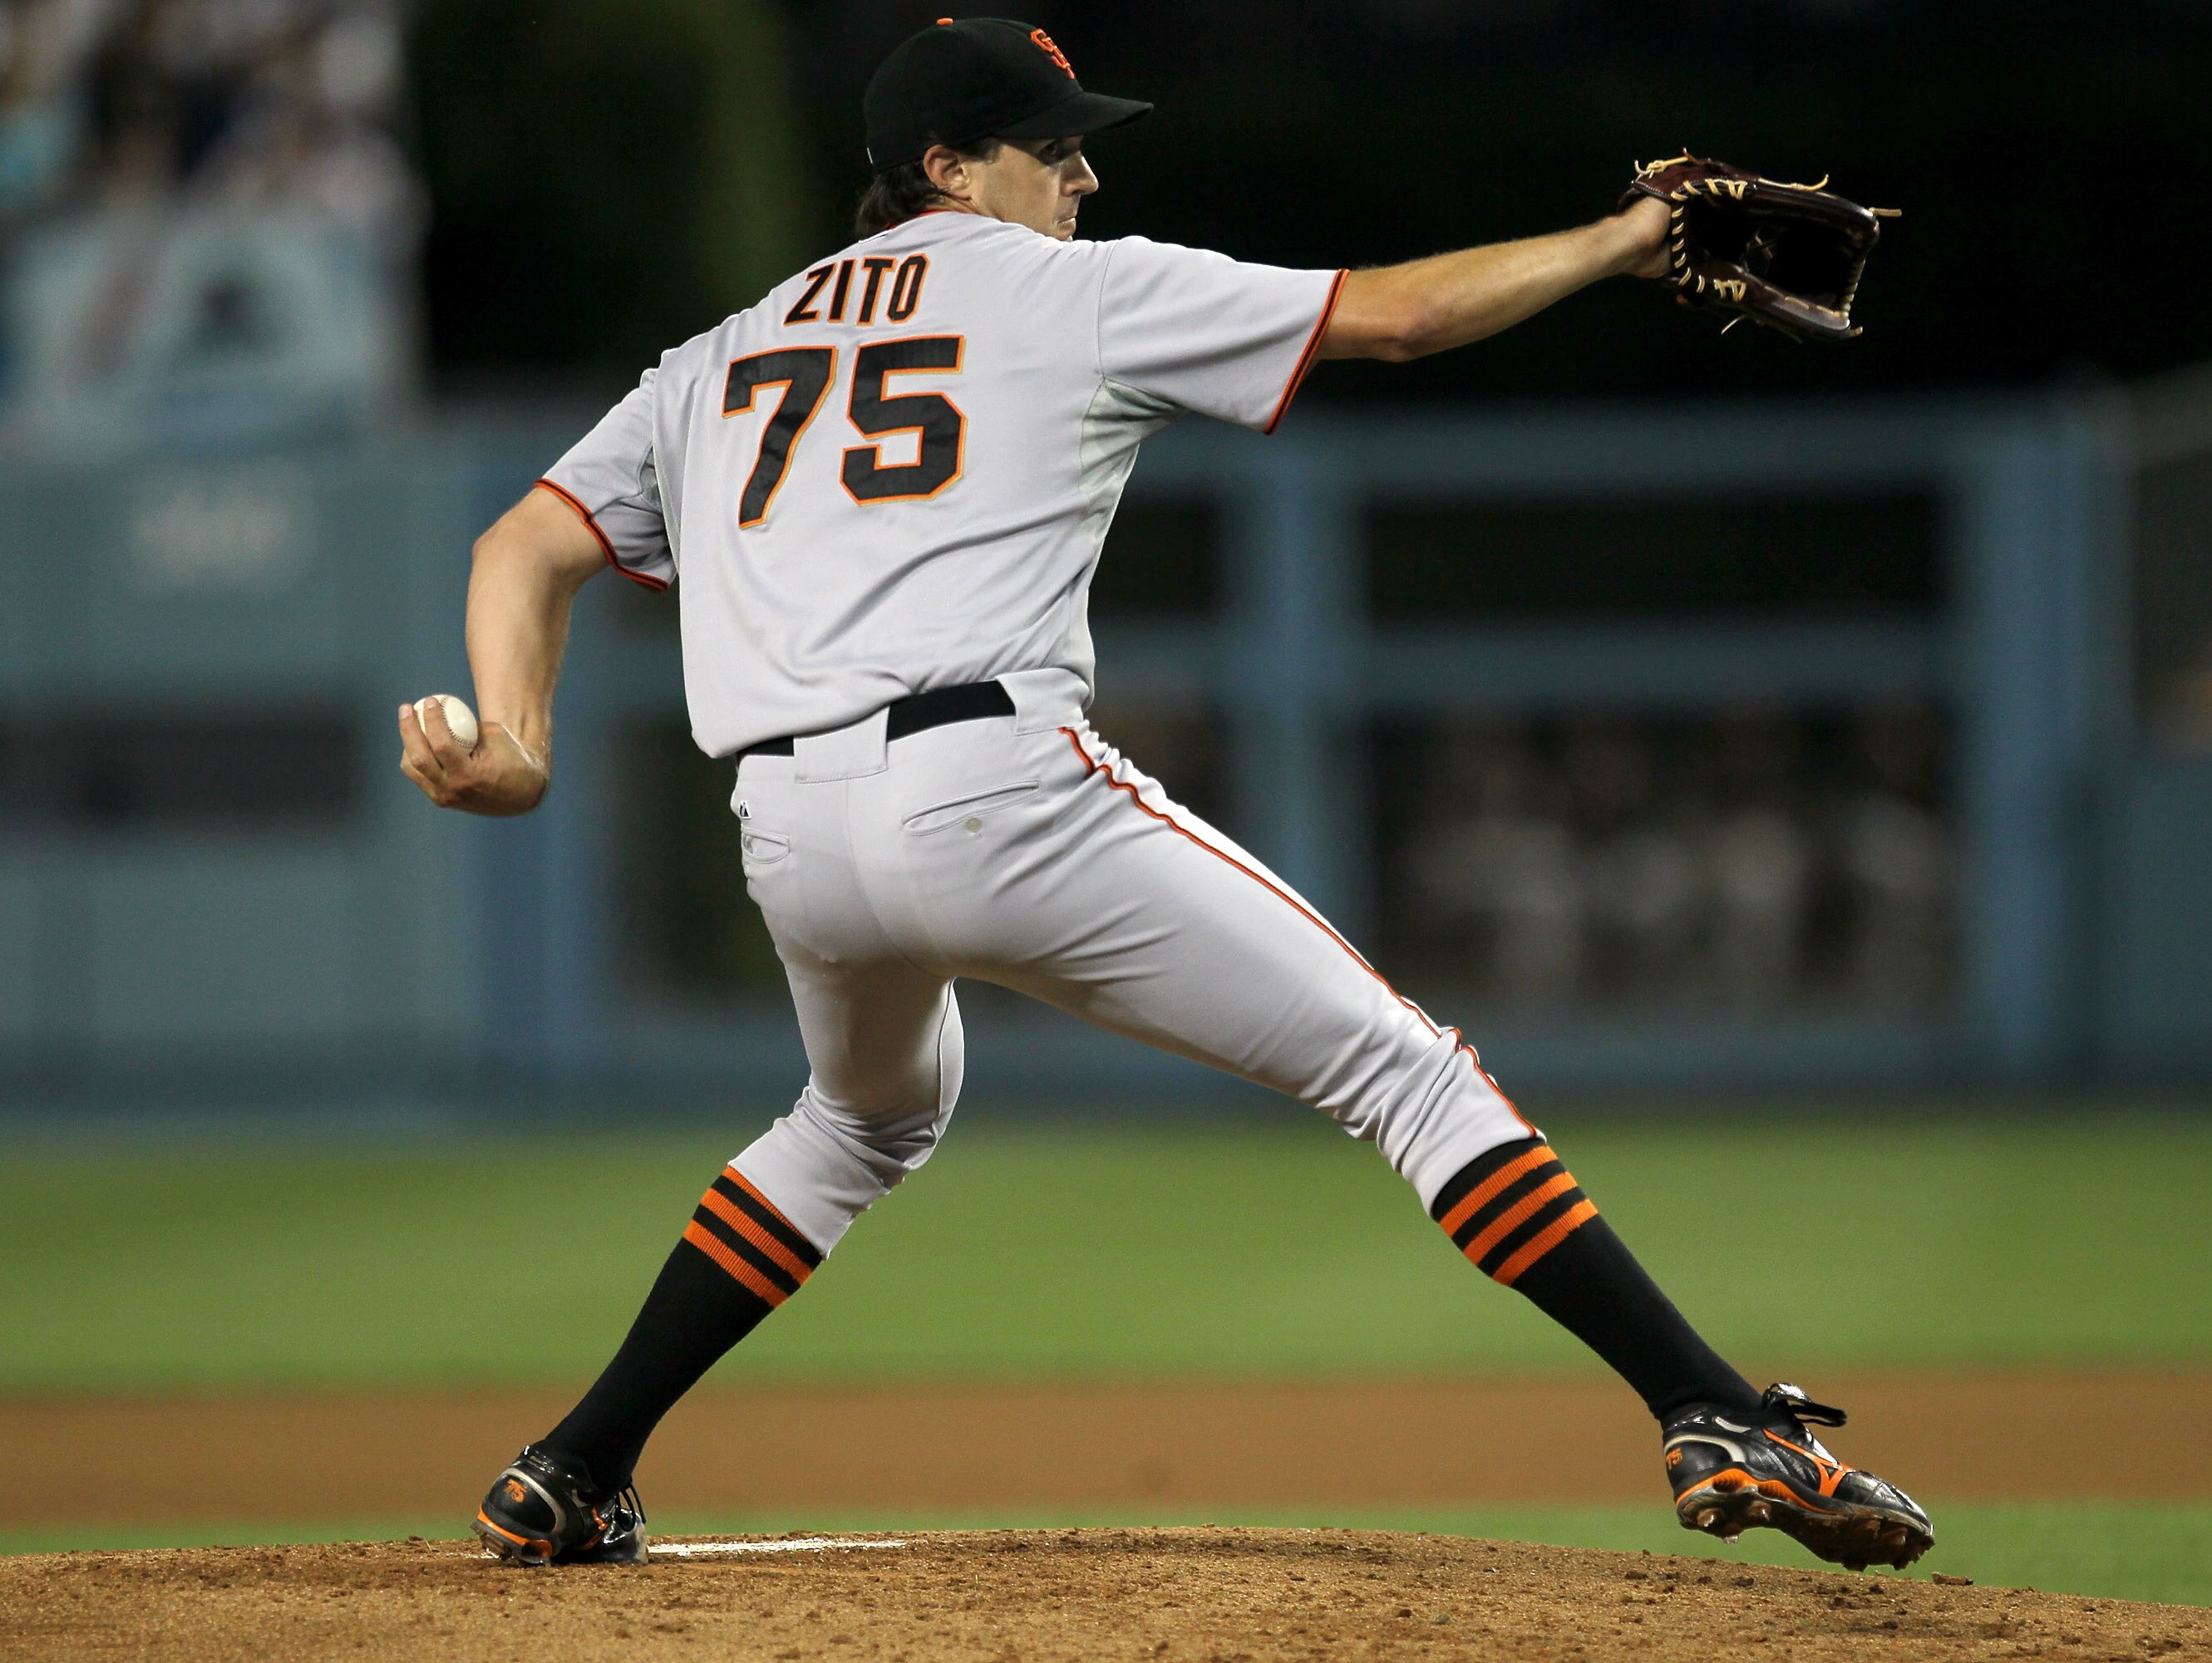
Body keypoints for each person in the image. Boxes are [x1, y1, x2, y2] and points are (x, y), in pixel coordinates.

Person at [400, 17, 1933, 1573]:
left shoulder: (720, 354)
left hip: (791, 834)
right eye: (1049, 143)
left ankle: (574, 1463)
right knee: (1409, 1074)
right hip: (991, 787)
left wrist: (516, 734)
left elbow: (523, 542)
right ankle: (1707, 1407)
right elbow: (1394, 321)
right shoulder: (1071, 291)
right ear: (945, 167)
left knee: (860, 1119)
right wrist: (1621, 241)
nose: (1080, 171)